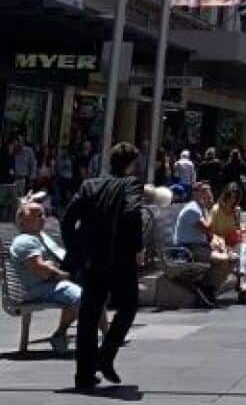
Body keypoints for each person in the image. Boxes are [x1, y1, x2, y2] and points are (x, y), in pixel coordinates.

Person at [61, 142, 146, 391]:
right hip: (120, 259)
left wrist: (77, 250)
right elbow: (133, 215)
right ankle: (105, 355)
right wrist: (137, 248)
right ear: (131, 164)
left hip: (92, 260)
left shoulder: (90, 185)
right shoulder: (131, 184)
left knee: (89, 315)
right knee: (129, 306)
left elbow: (67, 220)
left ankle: (83, 375)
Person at [9, 196, 107, 352]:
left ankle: (105, 336)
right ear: (22, 221)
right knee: (83, 297)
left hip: (50, 282)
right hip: (39, 286)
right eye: (36, 215)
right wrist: (61, 274)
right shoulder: (24, 241)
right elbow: (41, 270)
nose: (42, 218)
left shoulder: (39, 236)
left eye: (42, 214)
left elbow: (49, 263)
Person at [173, 182, 234, 306]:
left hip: (200, 246)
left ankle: (208, 287)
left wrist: (218, 242)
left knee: (232, 257)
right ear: (195, 193)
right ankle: (206, 287)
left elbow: (211, 234)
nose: (208, 194)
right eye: (203, 191)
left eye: (209, 191)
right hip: (189, 249)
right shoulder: (193, 209)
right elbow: (207, 228)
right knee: (226, 260)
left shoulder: (201, 208)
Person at [210, 184, 246, 304]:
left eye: (235, 198)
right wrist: (223, 242)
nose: (232, 200)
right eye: (229, 196)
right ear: (224, 196)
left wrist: (245, 227)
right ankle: (242, 286)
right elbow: (211, 232)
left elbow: (237, 227)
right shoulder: (216, 210)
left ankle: (241, 283)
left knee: (244, 246)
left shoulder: (235, 211)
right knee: (240, 253)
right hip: (219, 244)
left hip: (232, 243)